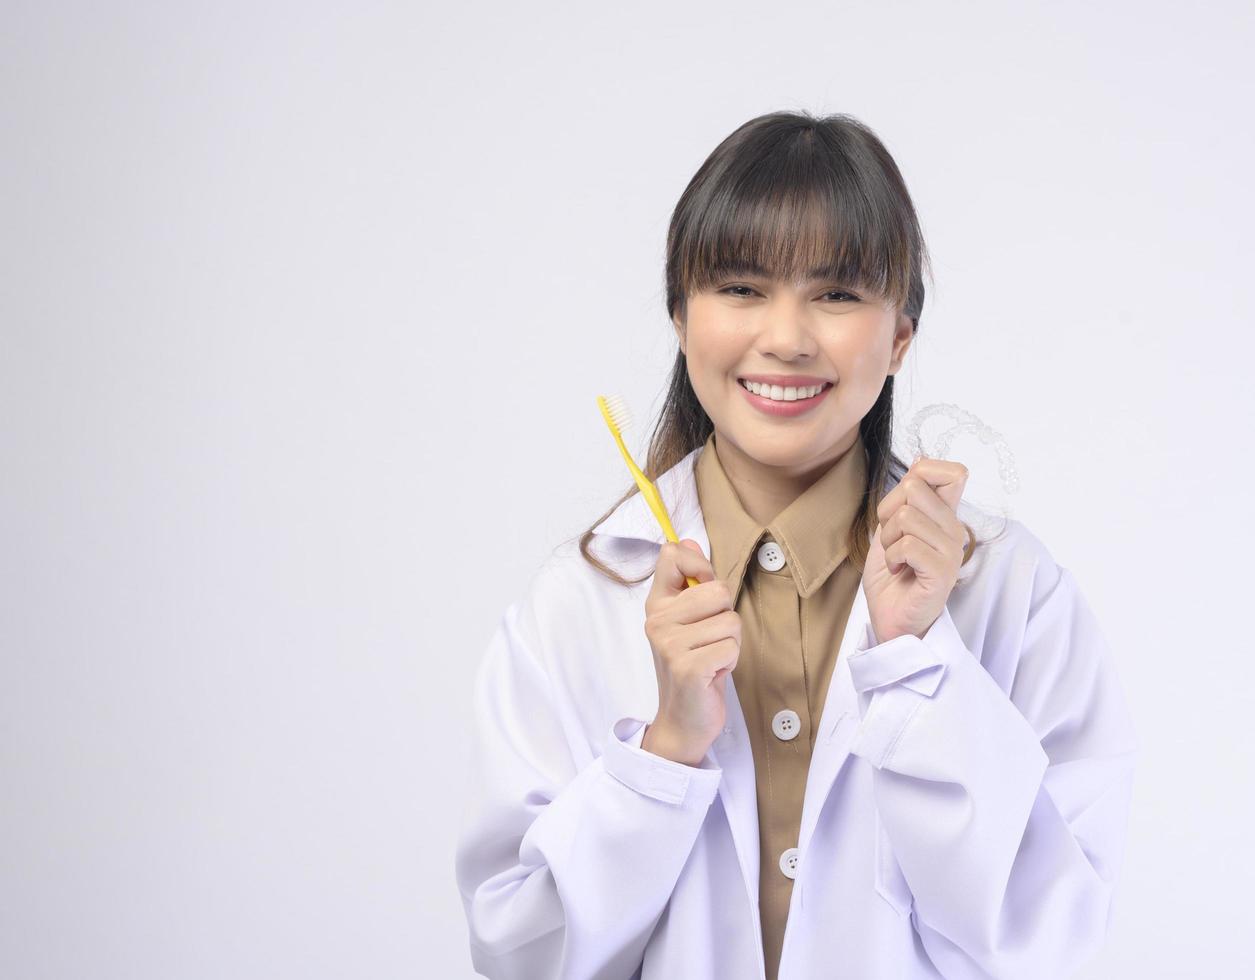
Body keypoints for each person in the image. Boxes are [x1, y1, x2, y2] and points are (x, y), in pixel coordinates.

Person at [454, 109, 1138, 980]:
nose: (784, 337)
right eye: (740, 288)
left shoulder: (1008, 588)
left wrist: (919, 663)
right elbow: (519, 954)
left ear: (898, 336)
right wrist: (664, 751)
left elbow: (1052, 947)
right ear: (679, 315)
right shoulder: (580, 599)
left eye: (837, 293)